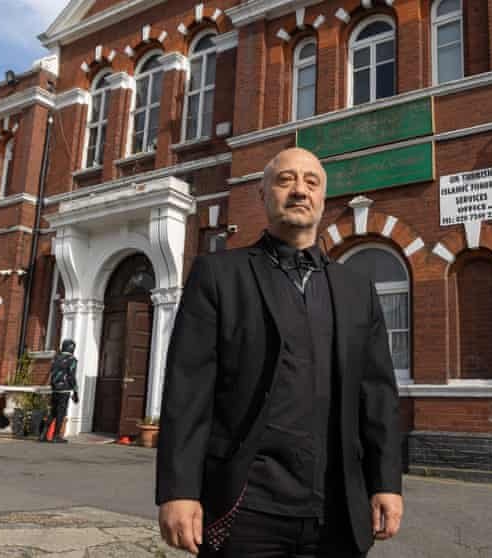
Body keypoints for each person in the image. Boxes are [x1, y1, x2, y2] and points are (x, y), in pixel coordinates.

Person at [156, 147, 403, 557]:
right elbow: (188, 390)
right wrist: (179, 490)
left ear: (323, 198)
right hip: (247, 507)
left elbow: (377, 395)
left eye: (311, 182)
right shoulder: (219, 276)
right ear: (263, 193)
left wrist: (386, 482)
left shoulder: (357, 289)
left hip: (338, 508)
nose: (299, 191)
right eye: (285, 180)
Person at [39, 339, 79, 443]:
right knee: (61, 413)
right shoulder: (72, 359)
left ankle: (43, 435)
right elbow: (71, 376)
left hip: (55, 389)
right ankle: (56, 436)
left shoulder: (56, 358)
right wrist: (75, 391)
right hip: (64, 389)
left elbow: (52, 373)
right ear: (72, 348)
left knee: (52, 412)